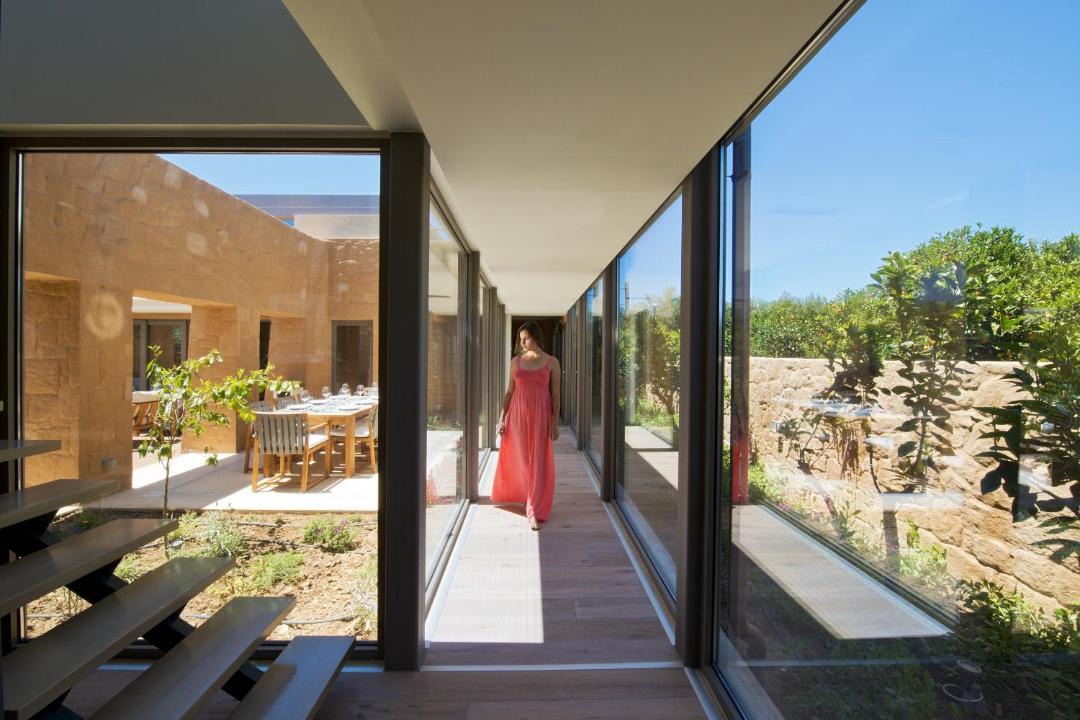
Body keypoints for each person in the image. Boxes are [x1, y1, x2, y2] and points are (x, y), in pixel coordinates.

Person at [491, 320, 561, 530]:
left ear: (537, 337)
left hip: (541, 416)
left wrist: (555, 423)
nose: (522, 342)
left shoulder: (551, 362)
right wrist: (501, 418)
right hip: (518, 416)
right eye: (520, 339)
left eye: (526, 338)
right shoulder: (516, 361)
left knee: (538, 461)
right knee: (522, 460)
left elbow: (555, 394)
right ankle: (528, 498)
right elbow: (509, 391)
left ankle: (533, 510)